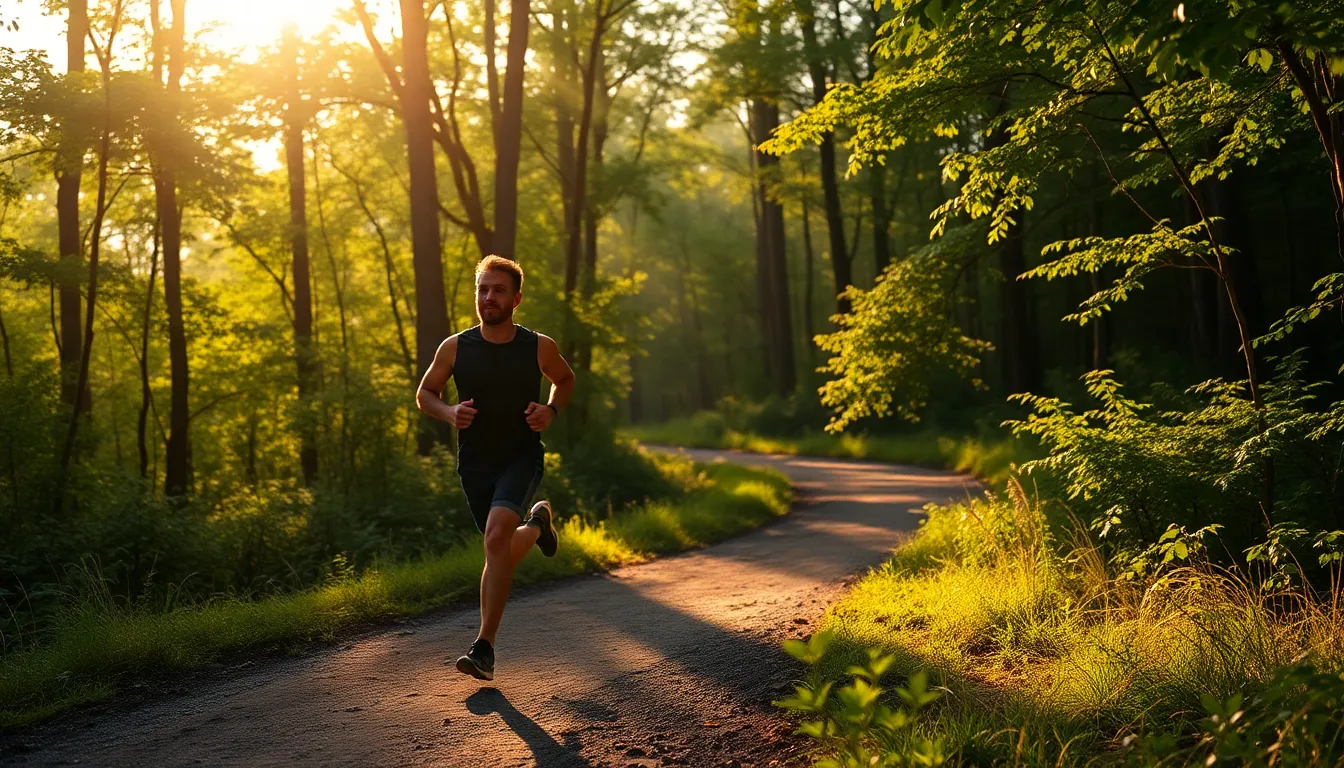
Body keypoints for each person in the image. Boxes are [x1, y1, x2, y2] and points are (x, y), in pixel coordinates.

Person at [415, 255, 576, 681]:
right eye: (483, 289)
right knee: (498, 547)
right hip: (475, 464)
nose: (489, 297)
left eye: (499, 290)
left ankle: (483, 647)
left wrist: (551, 409)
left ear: (516, 298)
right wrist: (449, 412)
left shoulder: (538, 345)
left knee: (495, 535)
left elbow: (565, 378)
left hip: (521, 455)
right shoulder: (455, 347)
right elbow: (425, 394)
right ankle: (539, 527)